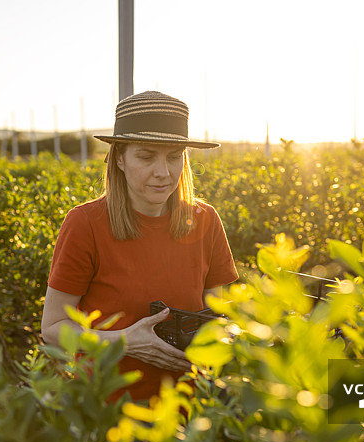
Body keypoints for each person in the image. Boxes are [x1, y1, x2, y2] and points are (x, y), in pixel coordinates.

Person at [42, 89, 238, 404]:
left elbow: (218, 310)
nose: (163, 172)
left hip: (189, 405)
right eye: (146, 156)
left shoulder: (206, 220)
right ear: (119, 157)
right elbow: (53, 328)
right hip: (109, 409)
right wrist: (125, 341)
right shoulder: (85, 224)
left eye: (174, 157)